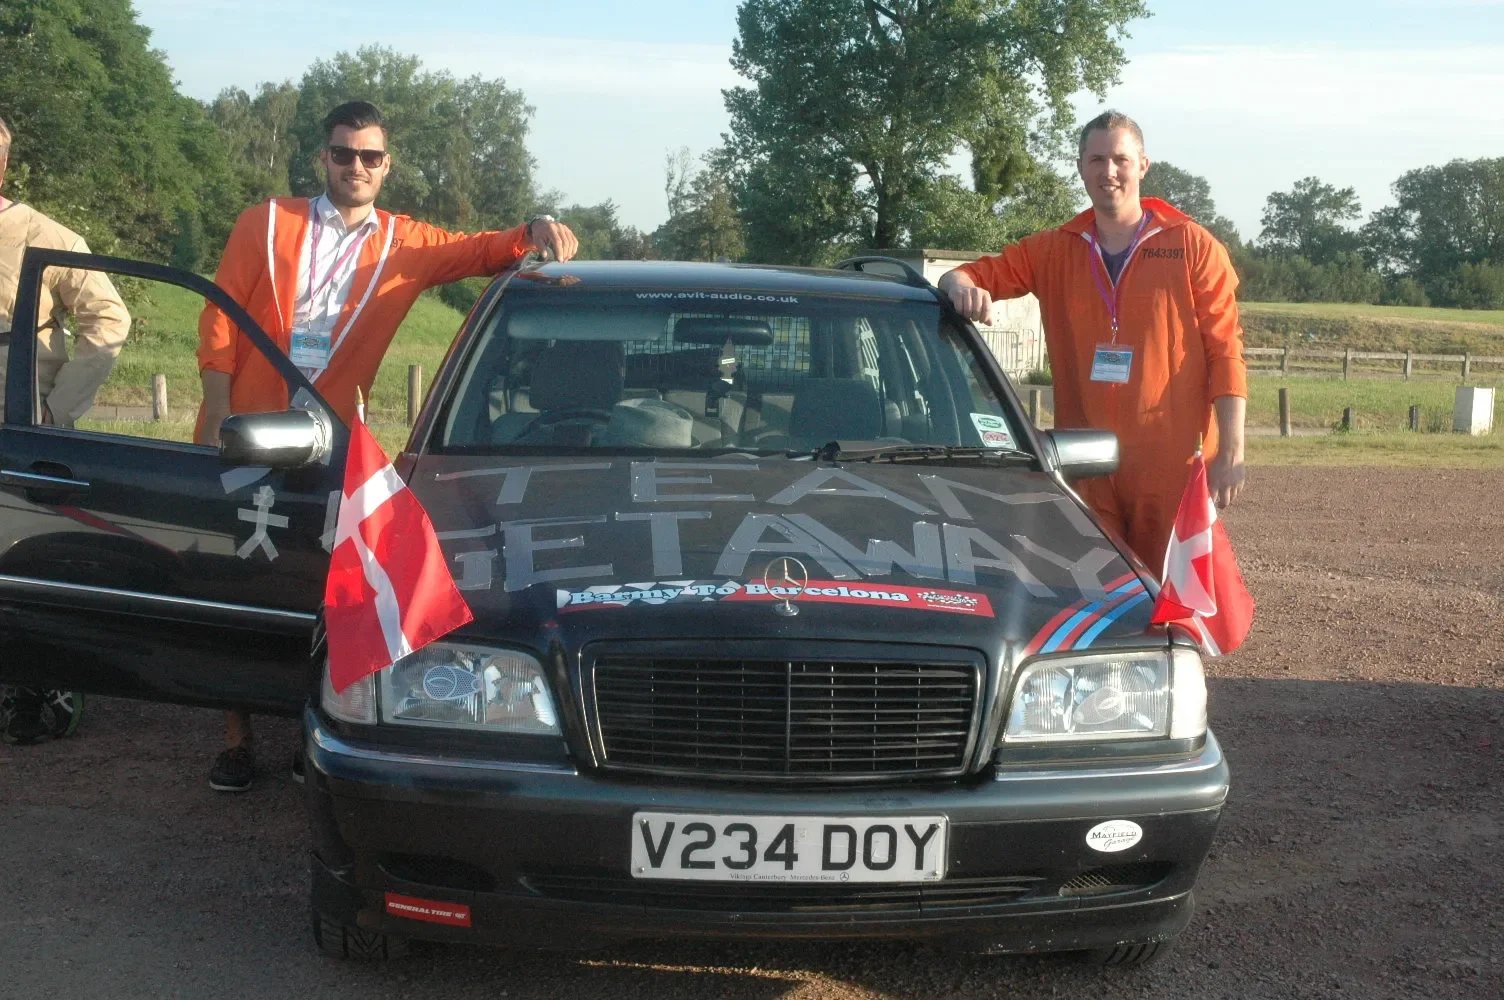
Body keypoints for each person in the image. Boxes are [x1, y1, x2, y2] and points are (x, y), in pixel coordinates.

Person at [196, 99, 578, 791]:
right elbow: (221, 315)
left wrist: (534, 228)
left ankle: (305, 725)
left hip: (331, 443)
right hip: (249, 429)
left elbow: (482, 249)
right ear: (324, 159)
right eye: (343, 154)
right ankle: (234, 736)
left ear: (387, 165)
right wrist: (217, 415)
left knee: (319, 579)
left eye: (370, 157)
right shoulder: (268, 222)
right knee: (237, 574)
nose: (356, 167)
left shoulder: (404, 241)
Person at [939, 109, 1247, 571]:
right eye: (1097, 159)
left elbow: (1225, 351)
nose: (1109, 172)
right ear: (1081, 166)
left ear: (1143, 165)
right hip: (1087, 462)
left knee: (1175, 600)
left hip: (1171, 465)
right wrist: (959, 283)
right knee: (1094, 592)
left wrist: (1232, 452)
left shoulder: (1193, 246)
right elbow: (968, 274)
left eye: (1121, 159)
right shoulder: (1053, 248)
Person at [0, 112, 131, 746]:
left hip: (18, 421)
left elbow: (107, 319)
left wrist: (55, 411)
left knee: (24, 554)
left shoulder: (45, 237)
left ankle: (38, 685)